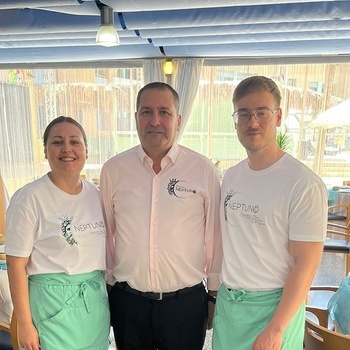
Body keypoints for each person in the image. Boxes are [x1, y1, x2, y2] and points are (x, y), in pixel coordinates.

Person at [100, 82, 222, 350]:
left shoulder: (202, 170)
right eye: (146, 112)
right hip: (128, 302)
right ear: (135, 118)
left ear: (178, 120)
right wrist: (109, 287)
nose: (155, 121)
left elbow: (214, 237)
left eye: (164, 112)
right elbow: (106, 234)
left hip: (185, 304)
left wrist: (213, 295)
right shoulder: (113, 170)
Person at [213, 76, 328, 350]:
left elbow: (306, 265)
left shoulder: (303, 183)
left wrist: (276, 329)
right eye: (244, 114)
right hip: (231, 307)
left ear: (278, 117)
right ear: (236, 120)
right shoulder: (231, 177)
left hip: (274, 311)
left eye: (261, 113)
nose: (252, 122)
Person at [5, 116, 110, 350]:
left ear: (86, 150)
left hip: (93, 305)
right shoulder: (29, 198)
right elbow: (15, 265)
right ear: (45, 151)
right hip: (50, 306)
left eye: (74, 142)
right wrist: (24, 324)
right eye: (57, 142)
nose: (67, 149)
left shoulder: (96, 194)